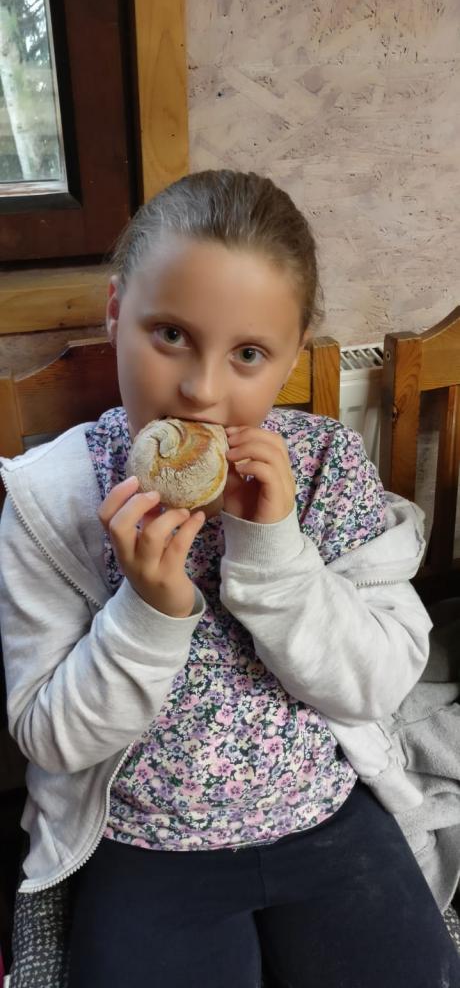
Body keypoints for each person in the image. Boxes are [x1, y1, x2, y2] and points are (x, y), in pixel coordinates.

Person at [0, 170, 459, 988]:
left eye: (247, 354)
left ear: (290, 357)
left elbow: (377, 685)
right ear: (116, 313)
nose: (202, 391)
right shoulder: (51, 500)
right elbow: (50, 737)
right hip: (146, 842)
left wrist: (277, 551)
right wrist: (146, 611)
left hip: (324, 815)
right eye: (170, 334)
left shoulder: (325, 468)